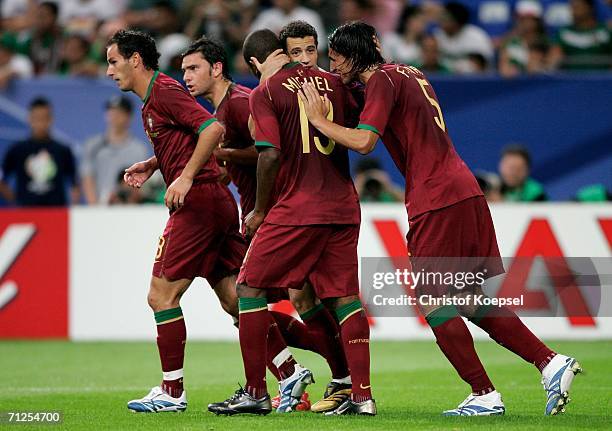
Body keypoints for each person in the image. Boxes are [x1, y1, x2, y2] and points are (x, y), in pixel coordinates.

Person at [298, 21, 581, 416]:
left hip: (437, 197)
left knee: (433, 301)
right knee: (465, 297)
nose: (332, 65)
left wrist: (319, 121)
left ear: (352, 55)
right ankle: (549, 363)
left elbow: (364, 142)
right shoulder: (409, 72)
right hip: (462, 189)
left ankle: (484, 393)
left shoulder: (380, 80)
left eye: (334, 57)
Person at [106, 29, 304, 414]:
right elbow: (188, 139)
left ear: (134, 60)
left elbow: (211, 129)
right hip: (213, 201)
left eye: (114, 61)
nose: (110, 70)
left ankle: (172, 391)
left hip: (198, 204)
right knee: (235, 299)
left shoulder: (163, 91)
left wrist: (184, 177)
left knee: (161, 296)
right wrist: (154, 165)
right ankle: (289, 370)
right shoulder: (153, 101)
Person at [209, 29, 375, 416]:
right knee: (344, 298)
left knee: (248, 288)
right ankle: (361, 396)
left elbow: (269, 156)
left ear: (256, 62)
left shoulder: (266, 90)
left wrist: (261, 211)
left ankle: (255, 390)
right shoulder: (336, 83)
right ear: (287, 51)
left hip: (298, 207)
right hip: (343, 206)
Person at [0, 97, 78, 206]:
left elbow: (75, 183)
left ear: (51, 119)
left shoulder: (62, 150)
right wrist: (16, 201)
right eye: (37, 118)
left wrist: (73, 205)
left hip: (56, 213)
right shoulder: (17, 149)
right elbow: (2, 179)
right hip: (26, 211)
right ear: (29, 119)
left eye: (44, 118)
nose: (41, 123)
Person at [80, 95, 149, 204]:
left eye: (120, 112)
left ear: (129, 116)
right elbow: (87, 177)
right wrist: (95, 207)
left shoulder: (139, 149)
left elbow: (142, 182)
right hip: (100, 207)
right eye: (111, 111)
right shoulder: (93, 146)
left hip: (128, 209)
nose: (114, 116)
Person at [548, 0, 612, 70]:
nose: (573, 11)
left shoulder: (606, 31)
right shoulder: (563, 33)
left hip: (602, 79)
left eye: (577, 7)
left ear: (589, 8)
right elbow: (554, 57)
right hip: (571, 79)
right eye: (571, 8)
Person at [433, 2, 494, 73]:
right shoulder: (436, 35)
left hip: (471, 80)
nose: (441, 20)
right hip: (443, 79)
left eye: (445, 18)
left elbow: (484, 66)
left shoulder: (477, 37)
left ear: (456, 20)